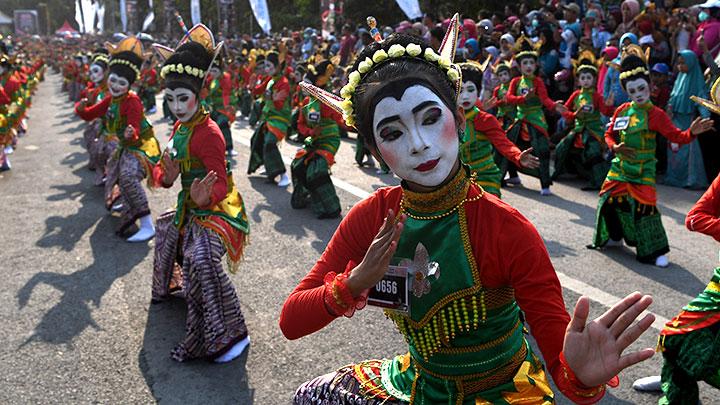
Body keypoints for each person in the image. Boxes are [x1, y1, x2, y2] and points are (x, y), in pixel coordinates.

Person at [282, 16, 657, 404]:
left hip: (500, 393)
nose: (419, 144)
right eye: (393, 133)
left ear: (459, 120)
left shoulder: (507, 230)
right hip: (418, 383)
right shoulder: (373, 218)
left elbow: (568, 377)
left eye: (430, 119)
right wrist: (354, 283)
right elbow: (291, 320)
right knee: (312, 397)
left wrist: (580, 376)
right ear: (376, 152)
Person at [150, 25, 250, 363]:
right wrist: (169, 175)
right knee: (165, 230)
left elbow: (220, 183)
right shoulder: (180, 128)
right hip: (190, 206)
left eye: (183, 99)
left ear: (198, 95)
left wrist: (206, 195)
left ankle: (231, 332)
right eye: (171, 100)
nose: (177, 107)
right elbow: (165, 178)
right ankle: (176, 290)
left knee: (200, 256)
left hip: (219, 210)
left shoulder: (210, 134)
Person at [590, 46, 715, 267]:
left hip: (643, 170)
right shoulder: (622, 111)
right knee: (608, 202)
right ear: (627, 92)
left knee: (645, 210)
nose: (638, 94)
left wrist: (691, 133)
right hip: (620, 168)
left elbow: (677, 136)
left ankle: (654, 251)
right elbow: (609, 134)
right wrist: (615, 147)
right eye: (633, 91)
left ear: (649, 86)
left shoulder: (655, 115)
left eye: (641, 89)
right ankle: (615, 236)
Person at [76, 37, 161, 242]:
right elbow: (90, 114)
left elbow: (134, 125)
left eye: (121, 83)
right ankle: (125, 203)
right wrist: (82, 105)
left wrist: (131, 132)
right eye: (113, 80)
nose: (115, 85)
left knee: (129, 177)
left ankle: (148, 224)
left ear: (129, 85)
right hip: (124, 145)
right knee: (114, 173)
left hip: (141, 146)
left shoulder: (132, 100)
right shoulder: (111, 98)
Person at [457, 61, 538, 197]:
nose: (465, 96)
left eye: (471, 90)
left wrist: (518, 156)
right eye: (460, 91)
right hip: (457, 180)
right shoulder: (447, 120)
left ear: (478, 91)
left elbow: (504, 144)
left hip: (484, 178)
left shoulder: (485, 119)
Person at [501, 36, 567, 196]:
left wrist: (555, 106)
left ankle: (545, 184)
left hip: (535, 120)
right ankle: (512, 176)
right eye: (525, 63)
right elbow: (508, 98)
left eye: (531, 63)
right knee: (508, 147)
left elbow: (545, 99)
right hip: (520, 119)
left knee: (542, 150)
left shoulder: (537, 82)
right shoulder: (515, 82)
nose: (529, 66)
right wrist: (524, 99)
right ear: (520, 65)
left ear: (536, 65)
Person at [553, 51, 614, 190]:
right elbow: (566, 112)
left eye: (589, 77)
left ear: (594, 79)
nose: (586, 80)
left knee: (593, 151)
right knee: (561, 147)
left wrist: (609, 105)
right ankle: (560, 172)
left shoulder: (597, 96)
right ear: (579, 80)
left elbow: (605, 111)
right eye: (583, 77)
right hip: (578, 129)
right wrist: (572, 113)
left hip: (593, 130)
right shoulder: (576, 95)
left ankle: (598, 181)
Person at [291, 59, 342, 219]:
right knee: (297, 164)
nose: (303, 86)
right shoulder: (306, 103)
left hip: (329, 141)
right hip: (313, 141)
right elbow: (300, 126)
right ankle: (305, 197)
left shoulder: (328, 100)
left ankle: (331, 207)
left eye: (307, 83)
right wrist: (310, 131)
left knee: (317, 170)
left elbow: (340, 118)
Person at [664, 50, 711, 190]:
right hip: (675, 120)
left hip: (687, 121)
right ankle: (674, 177)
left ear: (690, 63)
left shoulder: (696, 80)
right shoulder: (680, 78)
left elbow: (701, 100)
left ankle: (690, 180)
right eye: (679, 63)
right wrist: (669, 107)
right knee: (674, 150)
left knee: (687, 152)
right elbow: (674, 96)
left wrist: (706, 117)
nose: (680, 66)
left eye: (683, 63)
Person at [247, 50, 292, 187]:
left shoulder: (284, 82)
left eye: (269, 66)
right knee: (256, 140)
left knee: (270, 143)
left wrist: (270, 97)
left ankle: (283, 174)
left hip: (280, 120)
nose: (267, 69)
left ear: (278, 67)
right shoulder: (270, 80)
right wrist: (252, 86)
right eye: (266, 66)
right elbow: (258, 91)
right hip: (268, 119)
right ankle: (268, 167)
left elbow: (278, 104)